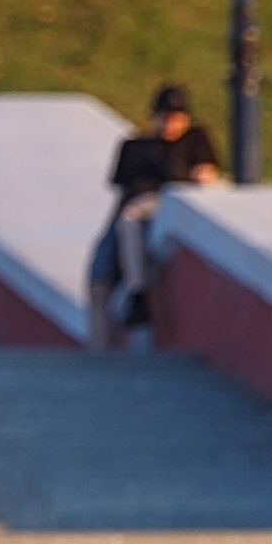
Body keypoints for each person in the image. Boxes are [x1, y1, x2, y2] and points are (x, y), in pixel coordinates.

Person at [89, 81, 221, 353]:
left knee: (130, 220)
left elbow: (207, 175)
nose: (171, 123)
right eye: (165, 116)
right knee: (99, 282)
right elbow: (124, 187)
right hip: (133, 207)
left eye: (177, 117)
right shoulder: (135, 146)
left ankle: (138, 293)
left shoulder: (194, 140)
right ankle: (102, 352)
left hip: (163, 205)